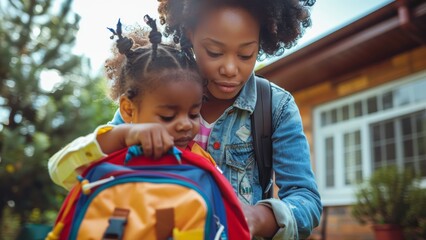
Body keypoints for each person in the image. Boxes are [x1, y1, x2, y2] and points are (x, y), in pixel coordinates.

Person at [49, 0, 322, 238]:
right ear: (190, 34)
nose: (229, 68)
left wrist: (255, 218)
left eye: (245, 54)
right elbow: (73, 172)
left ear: (262, 41)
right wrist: (121, 135)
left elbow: (306, 201)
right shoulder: (151, 96)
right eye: (214, 52)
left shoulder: (276, 108)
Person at [48, 15, 216, 190]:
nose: (185, 125)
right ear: (128, 110)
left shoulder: (200, 159)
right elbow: (58, 171)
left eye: (193, 114)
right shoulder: (115, 148)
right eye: (168, 116)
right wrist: (120, 136)